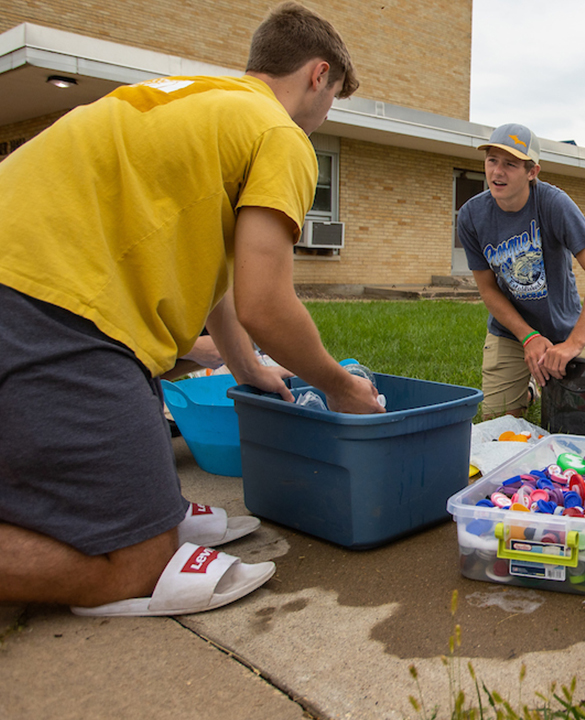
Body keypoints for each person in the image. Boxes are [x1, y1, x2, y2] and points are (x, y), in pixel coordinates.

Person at [0, 1, 383, 617]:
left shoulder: (195, 99)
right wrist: (338, 386)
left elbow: (224, 289)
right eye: (334, 95)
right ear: (319, 75)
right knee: (139, 564)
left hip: (30, 291)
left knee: (135, 508)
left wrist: (249, 369)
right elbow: (265, 301)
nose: (325, 113)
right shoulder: (278, 132)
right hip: (51, 309)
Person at [457, 123, 585, 420]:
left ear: (532, 172)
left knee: (583, 420)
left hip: (563, 331)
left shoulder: (554, 204)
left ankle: (540, 383)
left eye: (510, 164)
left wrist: (574, 343)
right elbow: (488, 290)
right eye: (492, 160)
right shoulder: (470, 216)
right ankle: (529, 390)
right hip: (510, 333)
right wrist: (527, 337)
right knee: (498, 424)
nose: (497, 172)